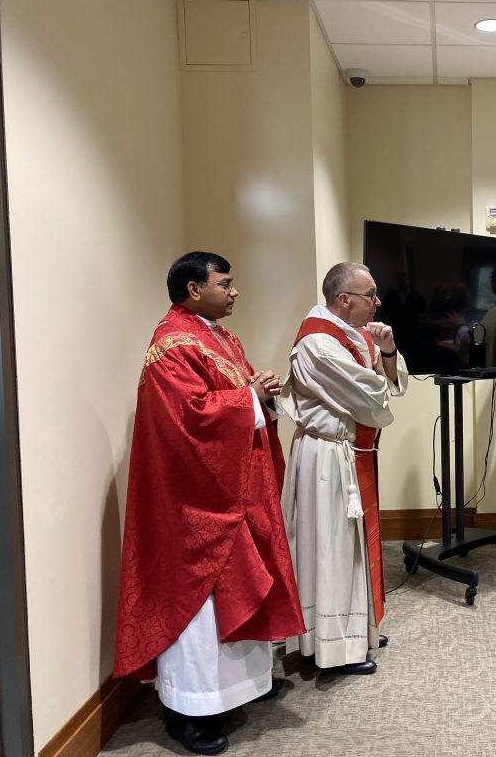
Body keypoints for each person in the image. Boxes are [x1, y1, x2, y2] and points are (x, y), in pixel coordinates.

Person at [113, 252, 305, 755]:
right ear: (195, 290)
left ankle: (240, 690)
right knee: (201, 606)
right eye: (226, 283)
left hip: (234, 490)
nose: (235, 291)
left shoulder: (220, 337)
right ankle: (188, 711)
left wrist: (259, 394)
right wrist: (249, 397)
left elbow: (233, 400)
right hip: (194, 502)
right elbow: (188, 420)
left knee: (243, 586)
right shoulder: (169, 346)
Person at [279, 262, 408, 675]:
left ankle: (359, 633)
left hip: (351, 454)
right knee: (332, 548)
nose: (378, 301)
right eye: (370, 294)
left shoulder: (352, 335)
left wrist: (386, 351)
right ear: (343, 300)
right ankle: (333, 648)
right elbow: (371, 394)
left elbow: (391, 380)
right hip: (326, 458)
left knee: (353, 549)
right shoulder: (316, 343)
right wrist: (378, 369)